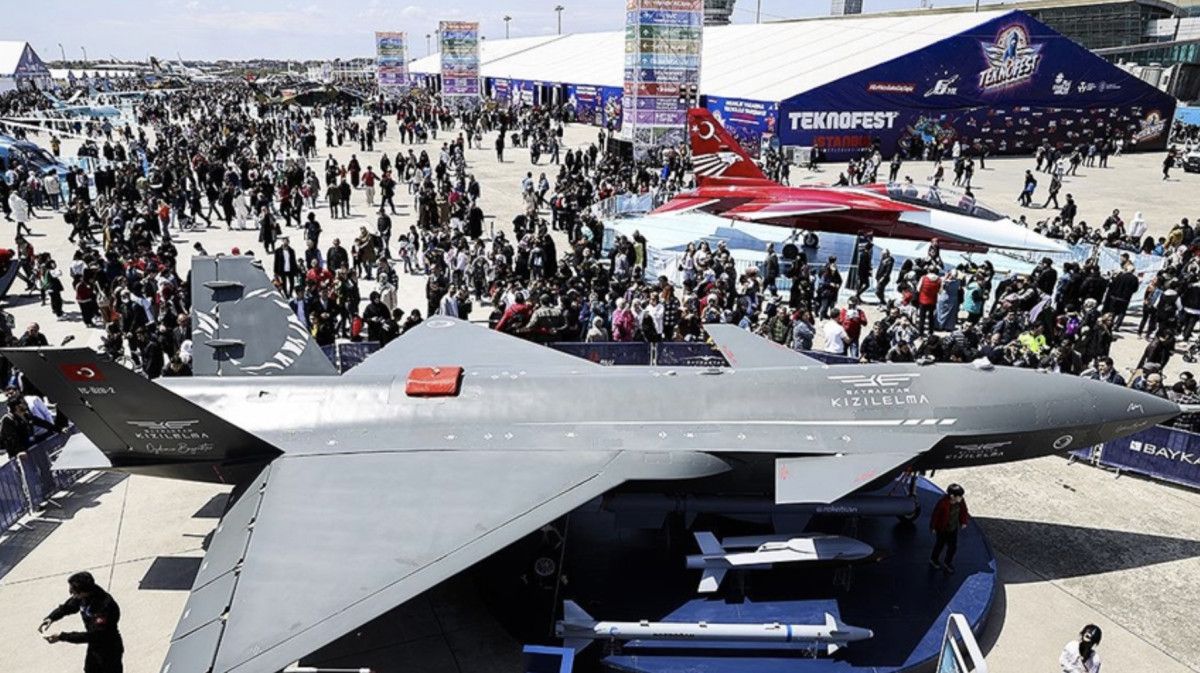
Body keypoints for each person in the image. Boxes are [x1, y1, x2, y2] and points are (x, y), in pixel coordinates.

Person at [40, 571, 124, 673]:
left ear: (84, 592)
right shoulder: (85, 596)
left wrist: (62, 636)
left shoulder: (103, 607)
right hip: (94, 647)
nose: (71, 593)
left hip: (109, 649)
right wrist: (51, 618)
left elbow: (92, 636)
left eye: (73, 591)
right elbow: (69, 607)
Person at [929, 483, 968, 573]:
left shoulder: (960, 502)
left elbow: (964, 511)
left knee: (953, 547)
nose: (961, 498)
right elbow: (935, 515)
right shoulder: (942, 503)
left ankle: (947, 562)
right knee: (940, 545)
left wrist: (963, 522)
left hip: (953, 528)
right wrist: (933, 527)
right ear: (952, 496)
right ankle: (934, 559)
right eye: (959, 496)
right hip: (942, 529)